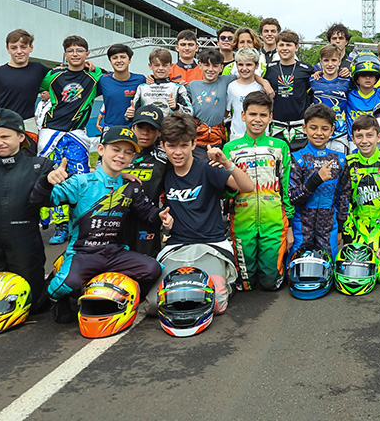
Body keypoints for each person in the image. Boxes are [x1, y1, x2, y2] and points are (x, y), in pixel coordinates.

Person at [33, 126, 171, 323]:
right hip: (83, 253)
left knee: (153, 269)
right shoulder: (81, 182)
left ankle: (102, 286)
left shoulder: (130, 186)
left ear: (132, 158)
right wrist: (47, 181)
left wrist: (162, 215)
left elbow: (148, 214)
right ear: (101, 149)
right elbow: (40, 201)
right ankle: (61, 279)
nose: (121, 156)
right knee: (62, 287)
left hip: (114, 253)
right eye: (116, 149)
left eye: (128, 152)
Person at [154, 113, 255, 316]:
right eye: (172, 146)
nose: (178, 152)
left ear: (193, 144)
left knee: (214, 303)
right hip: (178, 246)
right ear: (163, 145)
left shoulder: (207, 169)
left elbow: (248, 186)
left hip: (212, 245)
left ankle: (225, 281)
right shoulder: (163, 171)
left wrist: (228, 164)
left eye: (183, 145)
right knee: (155, 303)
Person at [0, 108, 57, 313]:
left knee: (33, 304)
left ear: (21, 136)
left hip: (25, 240)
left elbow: (55, 196)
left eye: (5, 136)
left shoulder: (40, 165)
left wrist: (54, 179)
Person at [36, 36, 105, 244]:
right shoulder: (52, 76)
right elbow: (24, 80)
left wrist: (94, 66)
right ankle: (60, 226)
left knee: (80, 180)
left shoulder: (95, 75)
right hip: (51, 133)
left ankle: (81, 224)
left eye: (80, 50)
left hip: (77, 135)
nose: (75, 54)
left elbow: (116, 80)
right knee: (54, 178)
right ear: (65, 54)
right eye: (71, 50)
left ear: (87, 53)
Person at [224, 91, 294, 291]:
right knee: (245, 285)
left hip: (273, 221)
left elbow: (286, 186)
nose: (258, 119)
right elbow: (225, 188)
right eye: (253, 114)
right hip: (242, 221)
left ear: (271, 118)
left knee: (270, 283)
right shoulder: (230, 149)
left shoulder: (280, 147)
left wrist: (288, 225)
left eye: (263, 115)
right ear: (243, 115)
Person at [343, 114, 380, 283]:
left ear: (379, 136)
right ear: (352, 138)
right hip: (358, 227)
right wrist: (347, 239)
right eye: (359, 136)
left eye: (369, 135)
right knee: (353, 273)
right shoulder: (347, 163)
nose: (364, 141)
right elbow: (345, 202)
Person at [288, 104, 348, 257]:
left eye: (325, 128)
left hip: (329, 226)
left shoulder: (339, 159)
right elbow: (292, 197)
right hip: (301, 225)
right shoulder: (296, 158)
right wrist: (316, 180)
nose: (319, 133)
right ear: (304, 128)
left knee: (330, 266)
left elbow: (344, 195)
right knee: (297, 267)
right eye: (313, 128)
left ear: (332, 130)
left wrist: (340, 227)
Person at [0, 30, 54, 155]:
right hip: (0, 128)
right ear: (7, 49)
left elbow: (65, 73)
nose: (19, 51)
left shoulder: (38, 69)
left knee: (28, 170)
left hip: (27, 129)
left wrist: (86, 64)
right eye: (14, 48)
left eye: (23, 47)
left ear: (31, 48)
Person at [121, 107, 169, 258]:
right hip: (117, 221)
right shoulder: (119, 154)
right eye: (141, 127)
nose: (145, 133)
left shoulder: (165, 159)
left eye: (152, 128)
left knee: (146, 269)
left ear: (159, 132)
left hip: (147, 223)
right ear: (133, 127)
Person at [264, 30, 314, 151]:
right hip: (277, 125)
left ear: (296, 47)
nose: (284, 48)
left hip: (300, 125)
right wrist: (264, 83)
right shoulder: (270, 68)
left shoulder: (306, 69)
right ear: (276, 47)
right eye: (281, 45)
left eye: (289, 45)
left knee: (300, 163)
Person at [186, 47, 238, 154]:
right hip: (198, 137)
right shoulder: (192, 85)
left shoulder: (226, 80)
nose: (210, 69)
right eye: (206, 65)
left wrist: (264, 83)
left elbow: (247, 74)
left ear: (221, 67)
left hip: (217, 137)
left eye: (215, 66)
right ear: (200, 65)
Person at [129, 47, 194, 119]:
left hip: (170, 128)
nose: (161, 68)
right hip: (148, 128)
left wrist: (176, 107)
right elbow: (131, 115)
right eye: (157, 65)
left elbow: (190, 112)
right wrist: (130, 114)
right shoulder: (142, 88)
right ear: (150, 66)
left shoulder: (178, 88)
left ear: (171, 66)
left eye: (164, 65)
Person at [310, 45, 351, 153]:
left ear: (339, 61)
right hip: (318, 134)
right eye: (326, 60)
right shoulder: (313, 81)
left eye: (333, 60)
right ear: (321, 62)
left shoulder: (348, 80)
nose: (330, 64)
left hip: (340, 134)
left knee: (339, 167)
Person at [97, 44, 146, 133]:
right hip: (110, 130)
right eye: (114, 58)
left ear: (129, 60)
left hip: (133, 130)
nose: (119, 61)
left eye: (123, 57)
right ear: (110, 61)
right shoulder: (103, 80)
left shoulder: (141, 79)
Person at [346, 55, 380, 134]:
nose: (367, 78)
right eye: (363, 75)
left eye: (371, 75)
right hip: (353, 140)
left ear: (376, 79)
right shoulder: (348, 95)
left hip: (377, 139)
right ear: (357, 80)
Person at [227, 47, 265, 142]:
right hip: (237, 136)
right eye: (240, 65)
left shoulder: (263, 86)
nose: (244, 68)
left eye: (249, 65)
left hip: (260, 137)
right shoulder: (231, 87)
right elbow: (227, 111)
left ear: (256, 65)